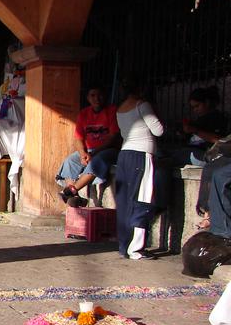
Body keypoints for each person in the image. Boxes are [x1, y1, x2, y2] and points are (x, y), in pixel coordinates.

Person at [115, 80, 164, 260]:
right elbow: (158, 130)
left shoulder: (120, 109)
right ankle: (136, 249)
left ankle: (124, 245)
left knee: (124, 201)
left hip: (124, 155)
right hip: (141, 156)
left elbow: (123, 133)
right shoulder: (142, 105)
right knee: (142, 199)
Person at [57, 88, 120, 205]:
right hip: (89, 151)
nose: (97, 98)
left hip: (108, 150)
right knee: (70, 161)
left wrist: (93, 153)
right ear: (88, 98)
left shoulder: (112, 111)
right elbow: (78, 138)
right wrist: (82, 153)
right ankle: (75, 197)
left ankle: (71, 191)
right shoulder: (84, 114)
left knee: (96, 162)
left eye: (99, 95)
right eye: (93, 95)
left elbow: (112, 138)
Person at [171, 86, 227, 167]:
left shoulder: (217, 118)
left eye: (197, 106)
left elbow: (219, 139)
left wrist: (195, 130)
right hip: (193, 151)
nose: (195, 110)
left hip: (206, 154)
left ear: (207, 102)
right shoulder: (200, 119)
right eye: (193, 107)